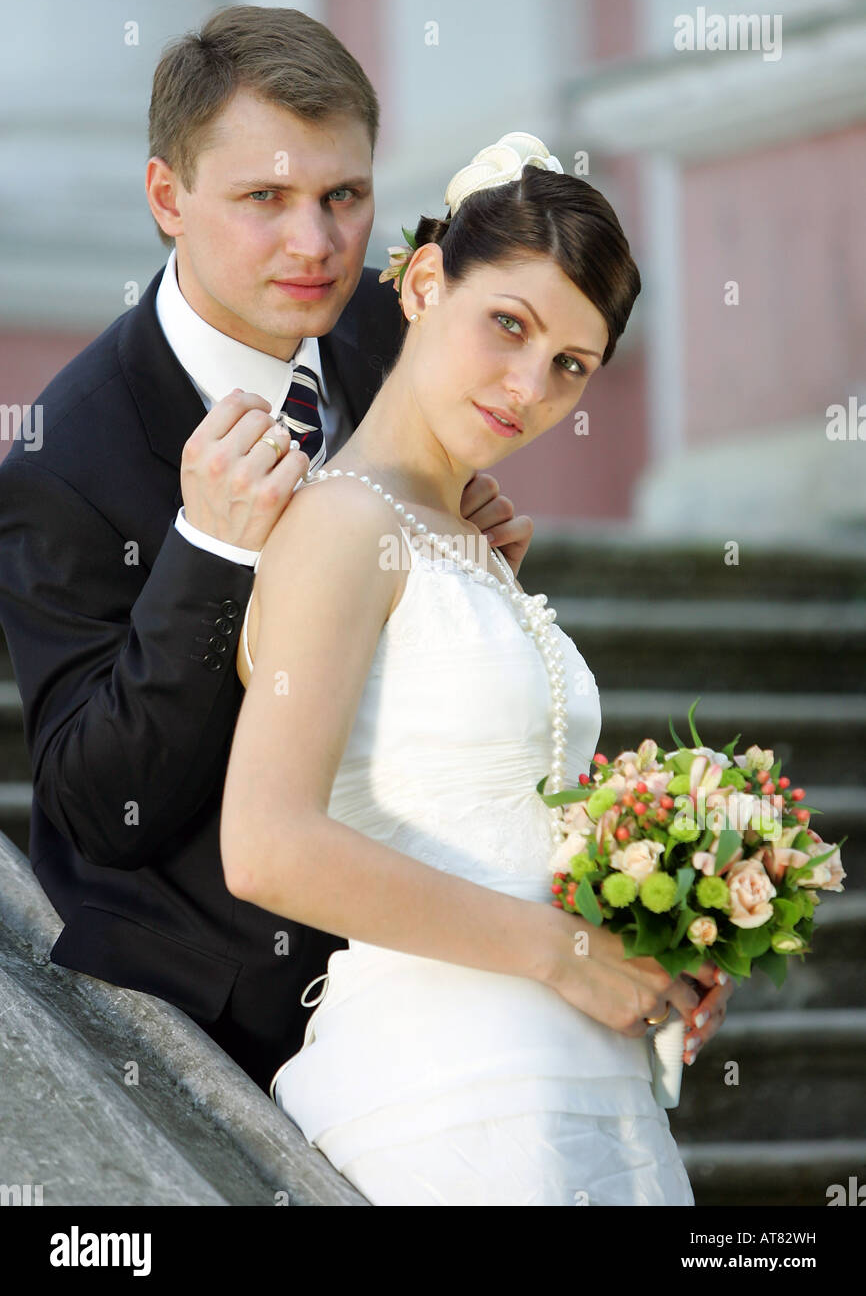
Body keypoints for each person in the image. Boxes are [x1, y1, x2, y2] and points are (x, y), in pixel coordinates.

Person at [0, 5, 533, 1095]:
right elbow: (98, 807)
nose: (318, 243)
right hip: (235, 1012)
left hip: (432, 943)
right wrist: (207, 549)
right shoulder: (65, 463)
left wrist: (461, 573)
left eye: (344, 195)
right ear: (168, 199)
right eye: (265, 200)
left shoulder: (386, 336)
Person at [220, 132, 734, 1206]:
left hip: (582, 1086)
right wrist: (562, 952)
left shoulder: (475, 545)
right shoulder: (338, 525)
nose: (525, 386)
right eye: (507, 324)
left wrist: (649, 934)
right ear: (420, 281)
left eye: (568, 367)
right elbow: (264, 844)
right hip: (453, 1096)